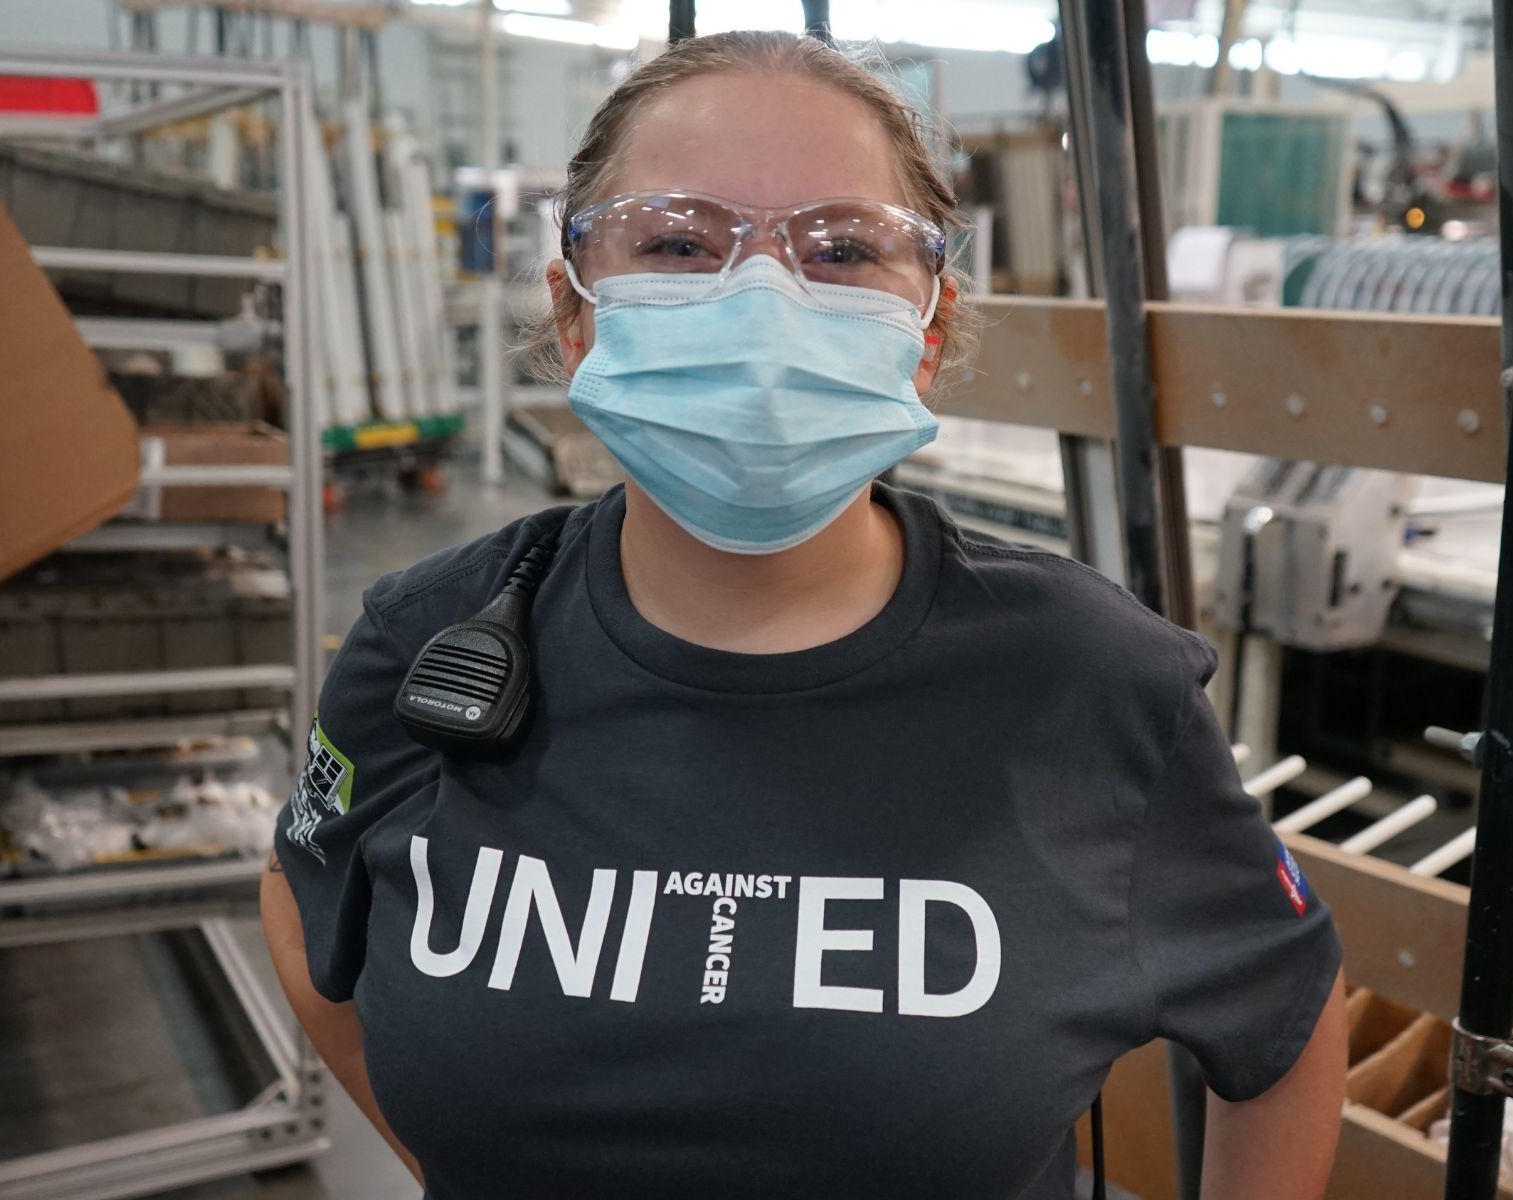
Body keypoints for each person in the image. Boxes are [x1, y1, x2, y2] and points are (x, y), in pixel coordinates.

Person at [261, 29, 1347, 1200]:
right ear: (575, 312)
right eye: (678, 243)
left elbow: (1284, 1006)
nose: (763, 299)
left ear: (926, 332)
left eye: (842, 250)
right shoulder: (434, 641)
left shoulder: (1085, 678)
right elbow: (302, 891)